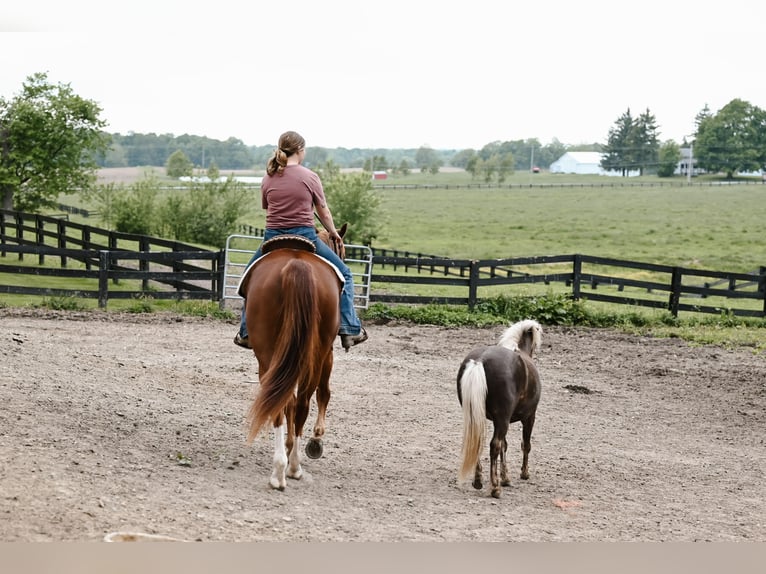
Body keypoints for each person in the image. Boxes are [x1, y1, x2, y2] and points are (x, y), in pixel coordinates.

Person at [234, 130, 368, 351]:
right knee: (345, 274)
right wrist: (332, 232)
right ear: (300, 150)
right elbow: (323, 210)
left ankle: (246, 332)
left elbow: (267, 206)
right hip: (305, 236)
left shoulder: (268, 178)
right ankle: (349, 328)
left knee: (247, 281)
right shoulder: (310, 176)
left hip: (273, 237)